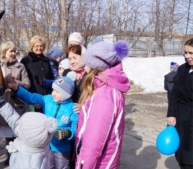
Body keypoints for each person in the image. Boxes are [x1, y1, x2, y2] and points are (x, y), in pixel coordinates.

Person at [74, 40, 130, 169]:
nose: (84, 65)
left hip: (97, 164)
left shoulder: (104, 96)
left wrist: (83, 165)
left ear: (96, 65)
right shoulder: (103, 88)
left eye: (87, 61)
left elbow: (94, 141)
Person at [7, 75, 78, 169]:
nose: (54, 93)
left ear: (67, 94)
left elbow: (75, 127)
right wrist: (16, 88)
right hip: (46, 146)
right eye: (53, 90)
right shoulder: (47, 100)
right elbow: (31, 97)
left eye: (58, 92)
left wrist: (68, 133)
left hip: (62, 149)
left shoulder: (72, 108)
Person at [0, 97, 57, 169]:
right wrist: (3, 105)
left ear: (27, 138)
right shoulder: (34, 140)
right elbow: (15, 120)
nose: (18, 126)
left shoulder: (35, 163)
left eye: (20, 128)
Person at [0, 41, 31, 165]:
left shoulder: (20, 66)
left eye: (15, 51)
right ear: (4, 52)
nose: (13, 53)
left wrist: (17, 83)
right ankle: (9, 155)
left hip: (18, 101)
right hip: (4, 101)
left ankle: (20, 155)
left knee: (19, 130)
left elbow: (27, 84)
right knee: (7, 132)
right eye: (11, 51)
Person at [167, 38, 193, 169]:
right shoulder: (183, 69)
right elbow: (174, 94)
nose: (187, 56)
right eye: (185, 53)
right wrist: (171, 114)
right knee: (181, 152)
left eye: (191, 53)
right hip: (180, 116)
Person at [20, 35, 54, 112]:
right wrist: (31, 99)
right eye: (36, 46)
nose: (39, 48)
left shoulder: (46, 61)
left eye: (41, 46)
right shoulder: (26, 61)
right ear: (32, 47)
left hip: (48, 97)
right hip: (34, 96)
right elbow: (25, 80)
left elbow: (51, 78)